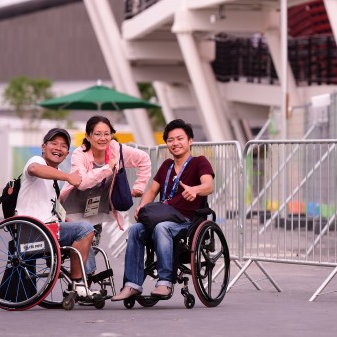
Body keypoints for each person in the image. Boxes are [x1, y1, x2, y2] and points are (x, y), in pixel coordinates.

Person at [111, 119, 214, 301]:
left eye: (180, 138)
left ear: (190, 141)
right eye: (171, 140)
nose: (175, 143)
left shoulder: (200, 162)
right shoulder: (167, 165)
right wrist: (141, 207)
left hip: (187, 220)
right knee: (135, 229)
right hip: (162, 215)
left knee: (162, 228)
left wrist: (195, 189)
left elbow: (208, 185)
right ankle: (132, 285)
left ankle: (165, 282)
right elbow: (152, 190)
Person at [15, 127, 96, 298]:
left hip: (48, 228)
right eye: (54, 144)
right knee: (84, 229)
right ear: (43, 147)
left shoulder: (53, 179)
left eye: (64, 146)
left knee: (88, 229)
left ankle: (86, 280)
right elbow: (34, 169)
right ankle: (78, 284)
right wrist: (67, 177)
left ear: (67, 153)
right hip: (35, 230)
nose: (59, 148)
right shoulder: (37, 161)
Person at [61, 115, 151, 229]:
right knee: (76, 245)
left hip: (97, 211)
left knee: (93, 245)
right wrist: (107, 169)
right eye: (97, 134)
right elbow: (81, 183)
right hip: (73, 210)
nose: (103, 138)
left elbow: (144, 158)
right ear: (88, 136)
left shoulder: (116, 149)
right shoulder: (79, 154)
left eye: (107, 134)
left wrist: (140, 186)